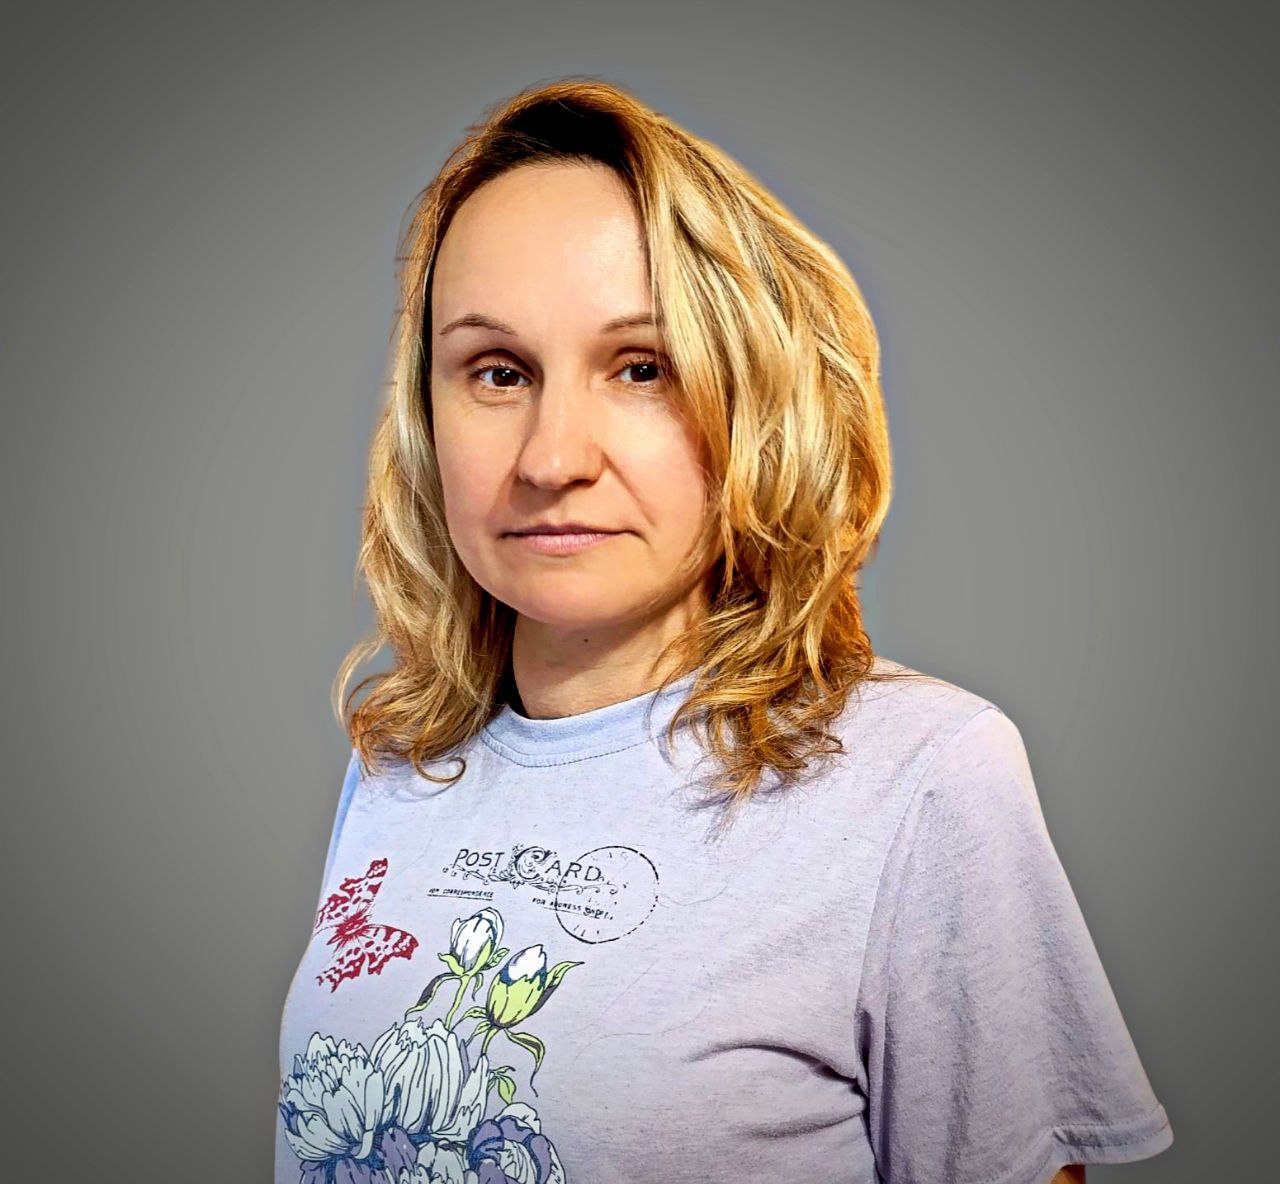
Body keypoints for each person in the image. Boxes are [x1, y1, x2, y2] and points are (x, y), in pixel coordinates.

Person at [275, 77, 1173, 1184]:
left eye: (641, 368)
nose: (552, 458)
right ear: (426, 415)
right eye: (497, 373)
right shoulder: (402, 763)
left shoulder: (920, 780)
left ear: (753, 400)